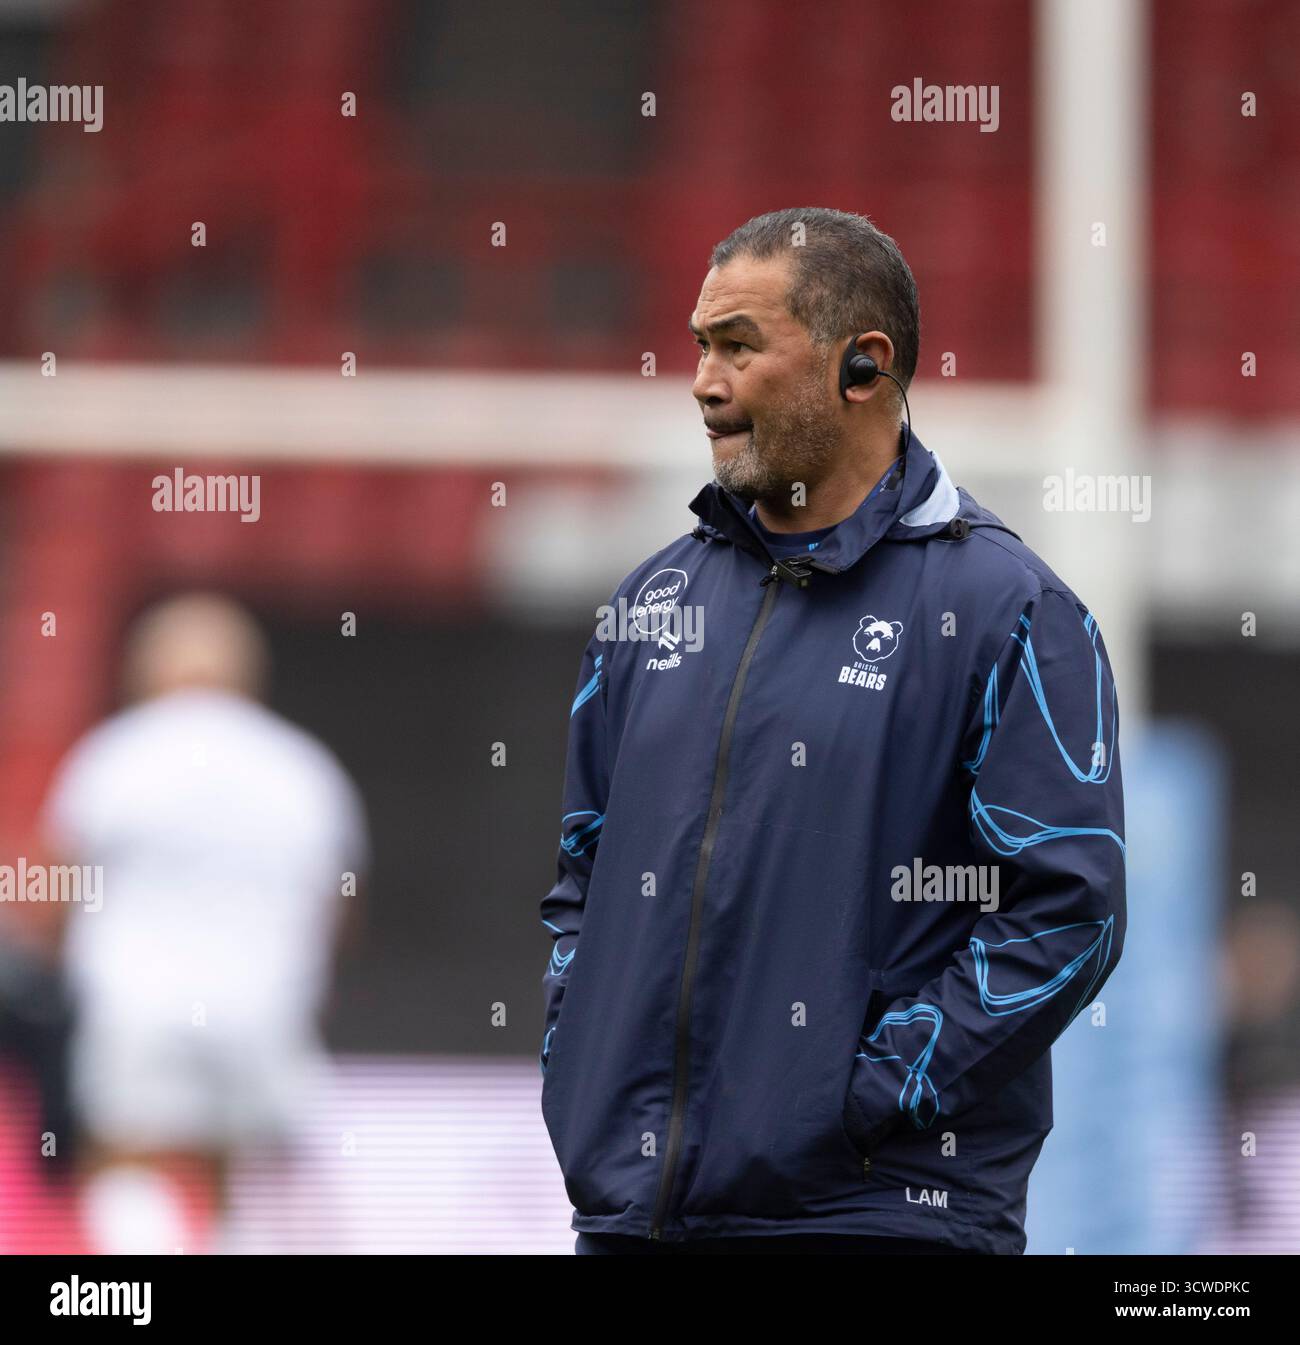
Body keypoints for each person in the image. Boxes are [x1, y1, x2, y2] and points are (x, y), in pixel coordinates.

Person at [538, 207, 1126, 1255]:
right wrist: (581, 1054)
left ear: (863, 366)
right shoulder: (651, 603)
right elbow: (583, 871)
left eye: (737, 345)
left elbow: (1066, 910)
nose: (701, 381)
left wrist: (856, 1096)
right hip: (633, 1217)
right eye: (698, 346)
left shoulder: (1009, 611)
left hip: (875, 1217)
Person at [39, 592, 369, 1253]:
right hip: (263, 1007)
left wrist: (56, 983)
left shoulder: (114, 757)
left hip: (136, 1009)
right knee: (237, 1169)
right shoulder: (303, 769)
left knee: (123, 1155)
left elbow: (54, 889)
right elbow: (341, 906)